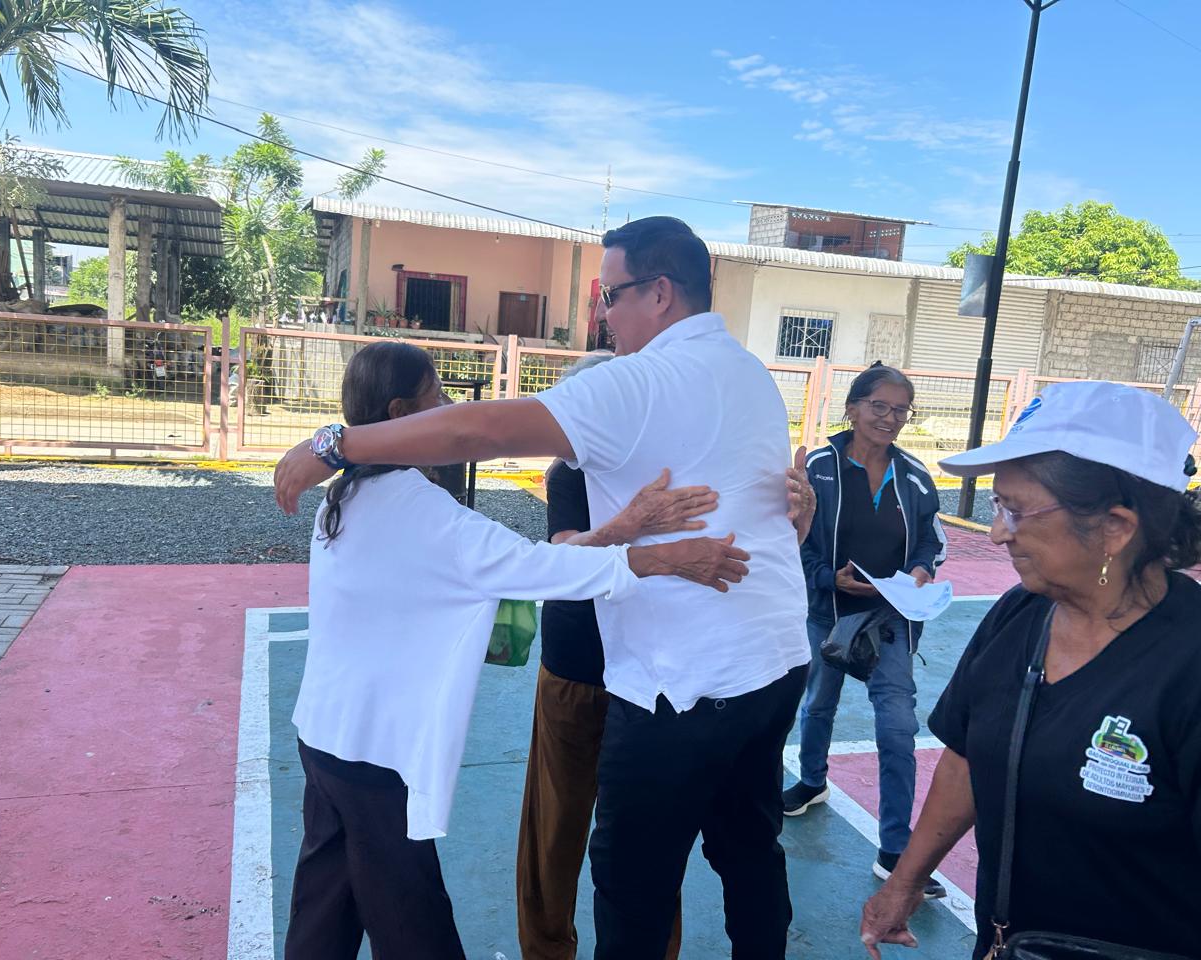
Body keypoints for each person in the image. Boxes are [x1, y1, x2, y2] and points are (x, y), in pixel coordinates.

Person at [275, 216, 814, 958]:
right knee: (749, 850)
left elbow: (477, 434)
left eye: (611, 295)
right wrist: (649, 545)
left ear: (659, 293)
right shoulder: (751, 374)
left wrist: (335, 444)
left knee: (630, 881)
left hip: (682, 682)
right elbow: (761, 513)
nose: (602, 315)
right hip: (772, 663)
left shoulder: (638, 382)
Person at [860, 380, 1201, 960]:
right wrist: (905, 881)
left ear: (1115, 528)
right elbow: (968, 755)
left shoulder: (1188, 665)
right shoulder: (1020, 613)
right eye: (998, 507)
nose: (997, 533)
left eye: (1015, 511)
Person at [517, 351, 696, 960]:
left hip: (651, 672)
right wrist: (630, 524)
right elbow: (564, 556)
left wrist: (793, 524)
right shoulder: (570, 474)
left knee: (649, 829)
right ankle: (547, 949)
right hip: (577, 667)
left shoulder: (666, 470)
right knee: (557, 825)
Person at [782, 363, 947, 899]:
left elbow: (932, 541)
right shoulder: (818, 468)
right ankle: (812, 781)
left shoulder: (915, 477)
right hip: (829, 610)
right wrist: (829, 578)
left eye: (900, 410)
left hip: (889, 619)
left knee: (897, 727)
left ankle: (895, 847)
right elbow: (792, 541)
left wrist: (920, 570)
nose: (889, 418)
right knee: (818, 703)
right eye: (879, 406)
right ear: (852, 408)